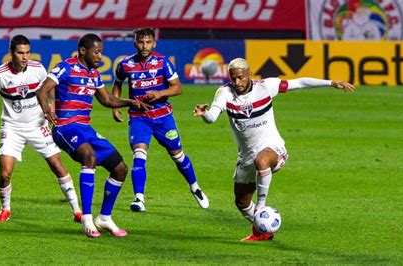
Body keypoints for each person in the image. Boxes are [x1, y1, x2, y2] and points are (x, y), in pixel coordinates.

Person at [193, 58, 355, 242]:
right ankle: (262, 231)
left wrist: (331, 83)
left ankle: (261, 208)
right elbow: (212, 117)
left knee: (261, 161)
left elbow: (300, 82)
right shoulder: (225, 92)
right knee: (242, 202)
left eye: (240, 78)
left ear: (249, 75)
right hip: (246, 156)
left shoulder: (266, 87)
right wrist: (204, 114)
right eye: (233, 78)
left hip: (274, 148)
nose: (237, 83)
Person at [36, 33, 150, 238]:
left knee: (120, 168)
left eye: (101, 53)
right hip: (65, 127)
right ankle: (87, 219)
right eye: (96, 52)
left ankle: (104, 218)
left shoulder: (94, 74)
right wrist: (47, 110)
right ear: (83, 50)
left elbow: (106, 100)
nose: (100, 56)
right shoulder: (66, 67)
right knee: (89, 157)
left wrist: (130, 103)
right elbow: (42, 90)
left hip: (85, 128)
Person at [0, 35, 82, 223]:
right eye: (20, 53)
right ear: (11, 53)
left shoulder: (38, 69)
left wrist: (51, 105)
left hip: (37, 125)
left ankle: (77, 211)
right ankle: (5, 210)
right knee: (4, 174)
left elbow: (50, 88)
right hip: (12, 127)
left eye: (27, 52)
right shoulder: (0, 74)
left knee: (57, 166)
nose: (25, 57)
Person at [111, 27, 209, 212]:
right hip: (139, 118)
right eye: (141, 42)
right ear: (135, 43)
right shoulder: (125, 64)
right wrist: (116, 106)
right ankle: (139, 199)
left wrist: (160, 93)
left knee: (178, 156)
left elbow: (178, 87)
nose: (144, 46)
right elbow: (117, 84)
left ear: (154, 43)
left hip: (163, 117)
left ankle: (195, 187)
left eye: (148, 42)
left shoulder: (163, 62)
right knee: (139, 154)